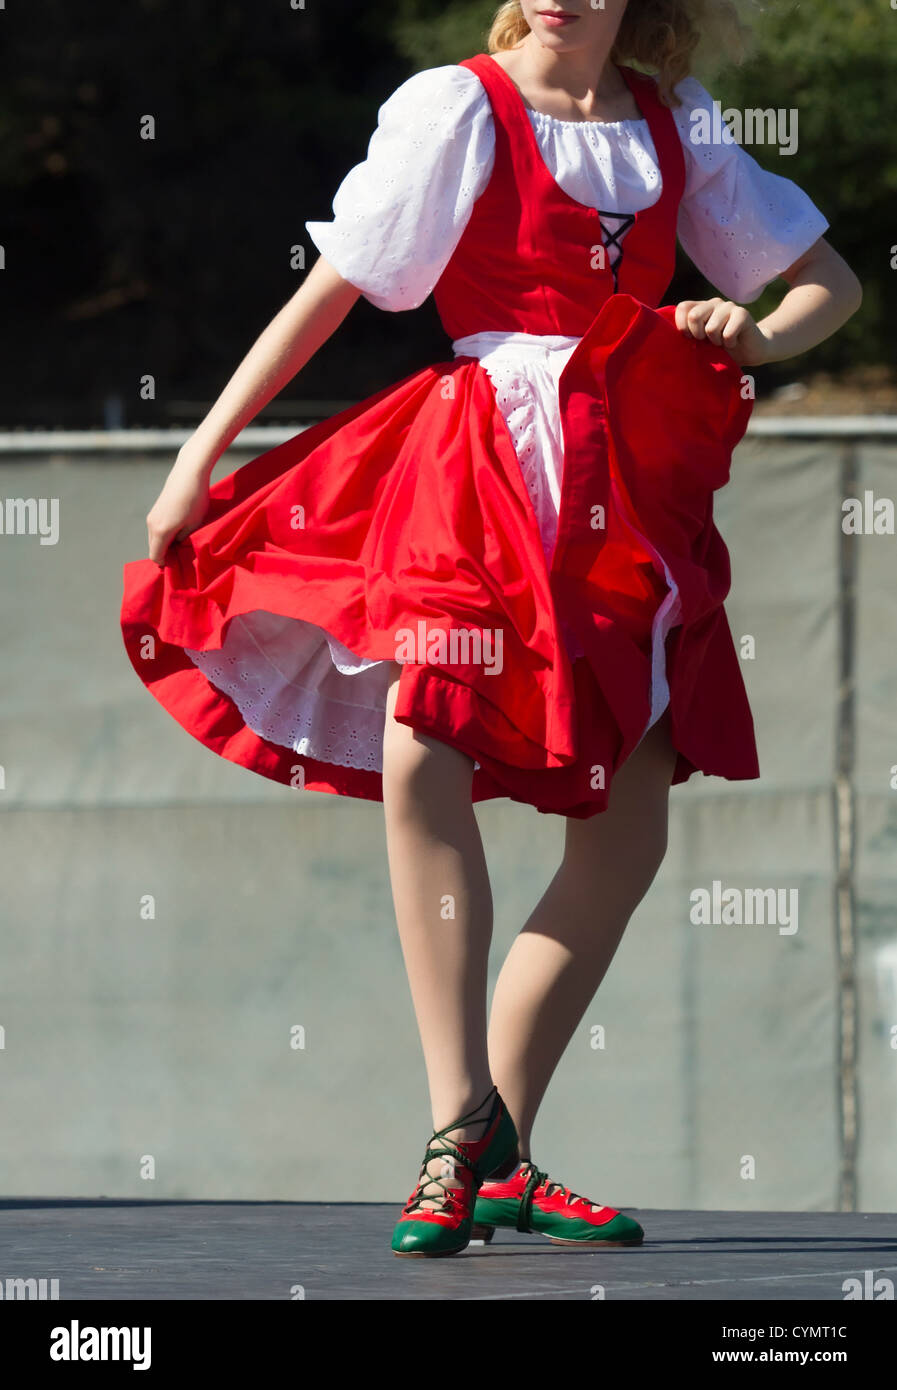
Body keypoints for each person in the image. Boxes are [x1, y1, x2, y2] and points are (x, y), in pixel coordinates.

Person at [120, 0, 862, 1258]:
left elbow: (826, 290)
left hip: (627, 472)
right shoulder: (458, 105)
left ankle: (494, 1141)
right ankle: (456, 1118)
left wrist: (752, 333)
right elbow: (344, 284)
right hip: (480, 460)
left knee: (628, 823)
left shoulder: (678, 123)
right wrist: (204, 447)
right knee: (428, 743)